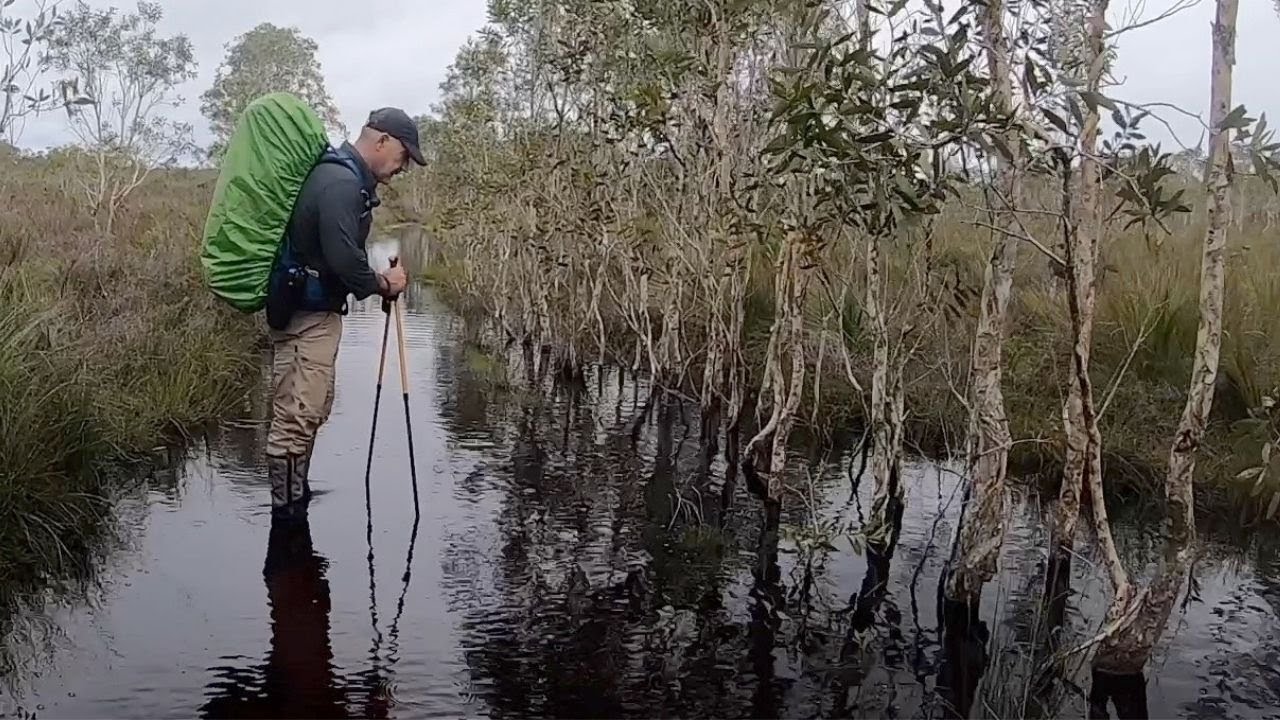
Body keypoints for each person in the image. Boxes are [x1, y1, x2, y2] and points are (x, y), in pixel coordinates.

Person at [265, 107, 425, 520]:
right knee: (299, 414)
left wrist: (374, 284)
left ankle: (293, 502)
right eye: (404, 156)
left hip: (305, 311)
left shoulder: (340, 177)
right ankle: (286, 521)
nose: (402, 167)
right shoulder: (339, 183)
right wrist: (383, 285)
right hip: (308, 317)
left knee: (307, 408)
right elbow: (343, 258)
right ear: (382, 140)